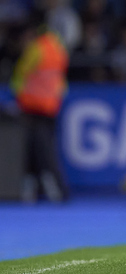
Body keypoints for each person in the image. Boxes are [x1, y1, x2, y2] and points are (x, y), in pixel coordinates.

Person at [10, 21, 69, 203]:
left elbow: (20, 77)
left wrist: (19, 95)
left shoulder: (35, 49)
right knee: (45, 150)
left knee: (35, 152)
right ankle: (48, 190)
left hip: (31, 108)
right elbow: (60, 82)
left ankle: (43, 191)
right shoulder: (60, 51)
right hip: (51, 108)